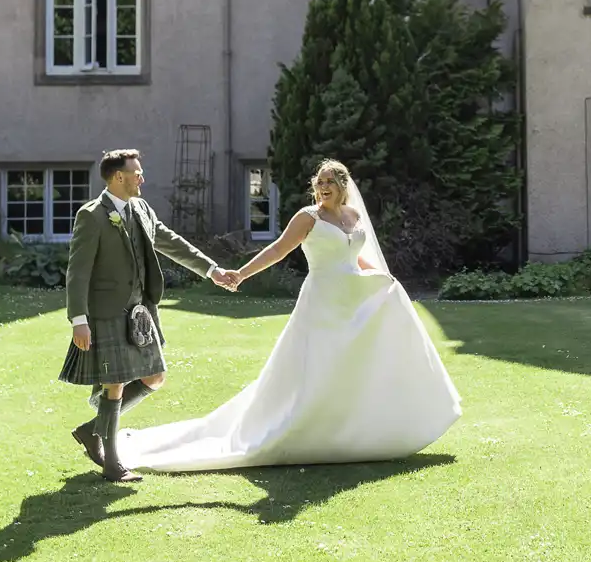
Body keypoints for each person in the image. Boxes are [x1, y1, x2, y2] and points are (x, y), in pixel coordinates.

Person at [119, 159, 461, 472]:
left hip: (353, 300)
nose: (323, 187)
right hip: (322, 301)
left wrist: (384, 279)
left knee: (352, 365)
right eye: (319, 182)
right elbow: (278, 249)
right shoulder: (307, 217)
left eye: (330, 181)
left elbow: (355, 258)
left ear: (343, 185)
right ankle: (299, 429)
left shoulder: (353, 218)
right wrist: (241, 274)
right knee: (315, 366)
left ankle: (351, 427)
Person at [60, 148, 239, 483]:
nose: (142, 178)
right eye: (137, 172)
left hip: (141, 313)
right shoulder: (93, 215)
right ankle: (113, 464)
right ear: (118, 177)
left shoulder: (141, 208)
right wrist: (78, 320)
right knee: (114, 386)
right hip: (107, 313)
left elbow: (170, 241)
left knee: (154, 378)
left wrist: (212, 270)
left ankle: (92, 430)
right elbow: (77, 272)